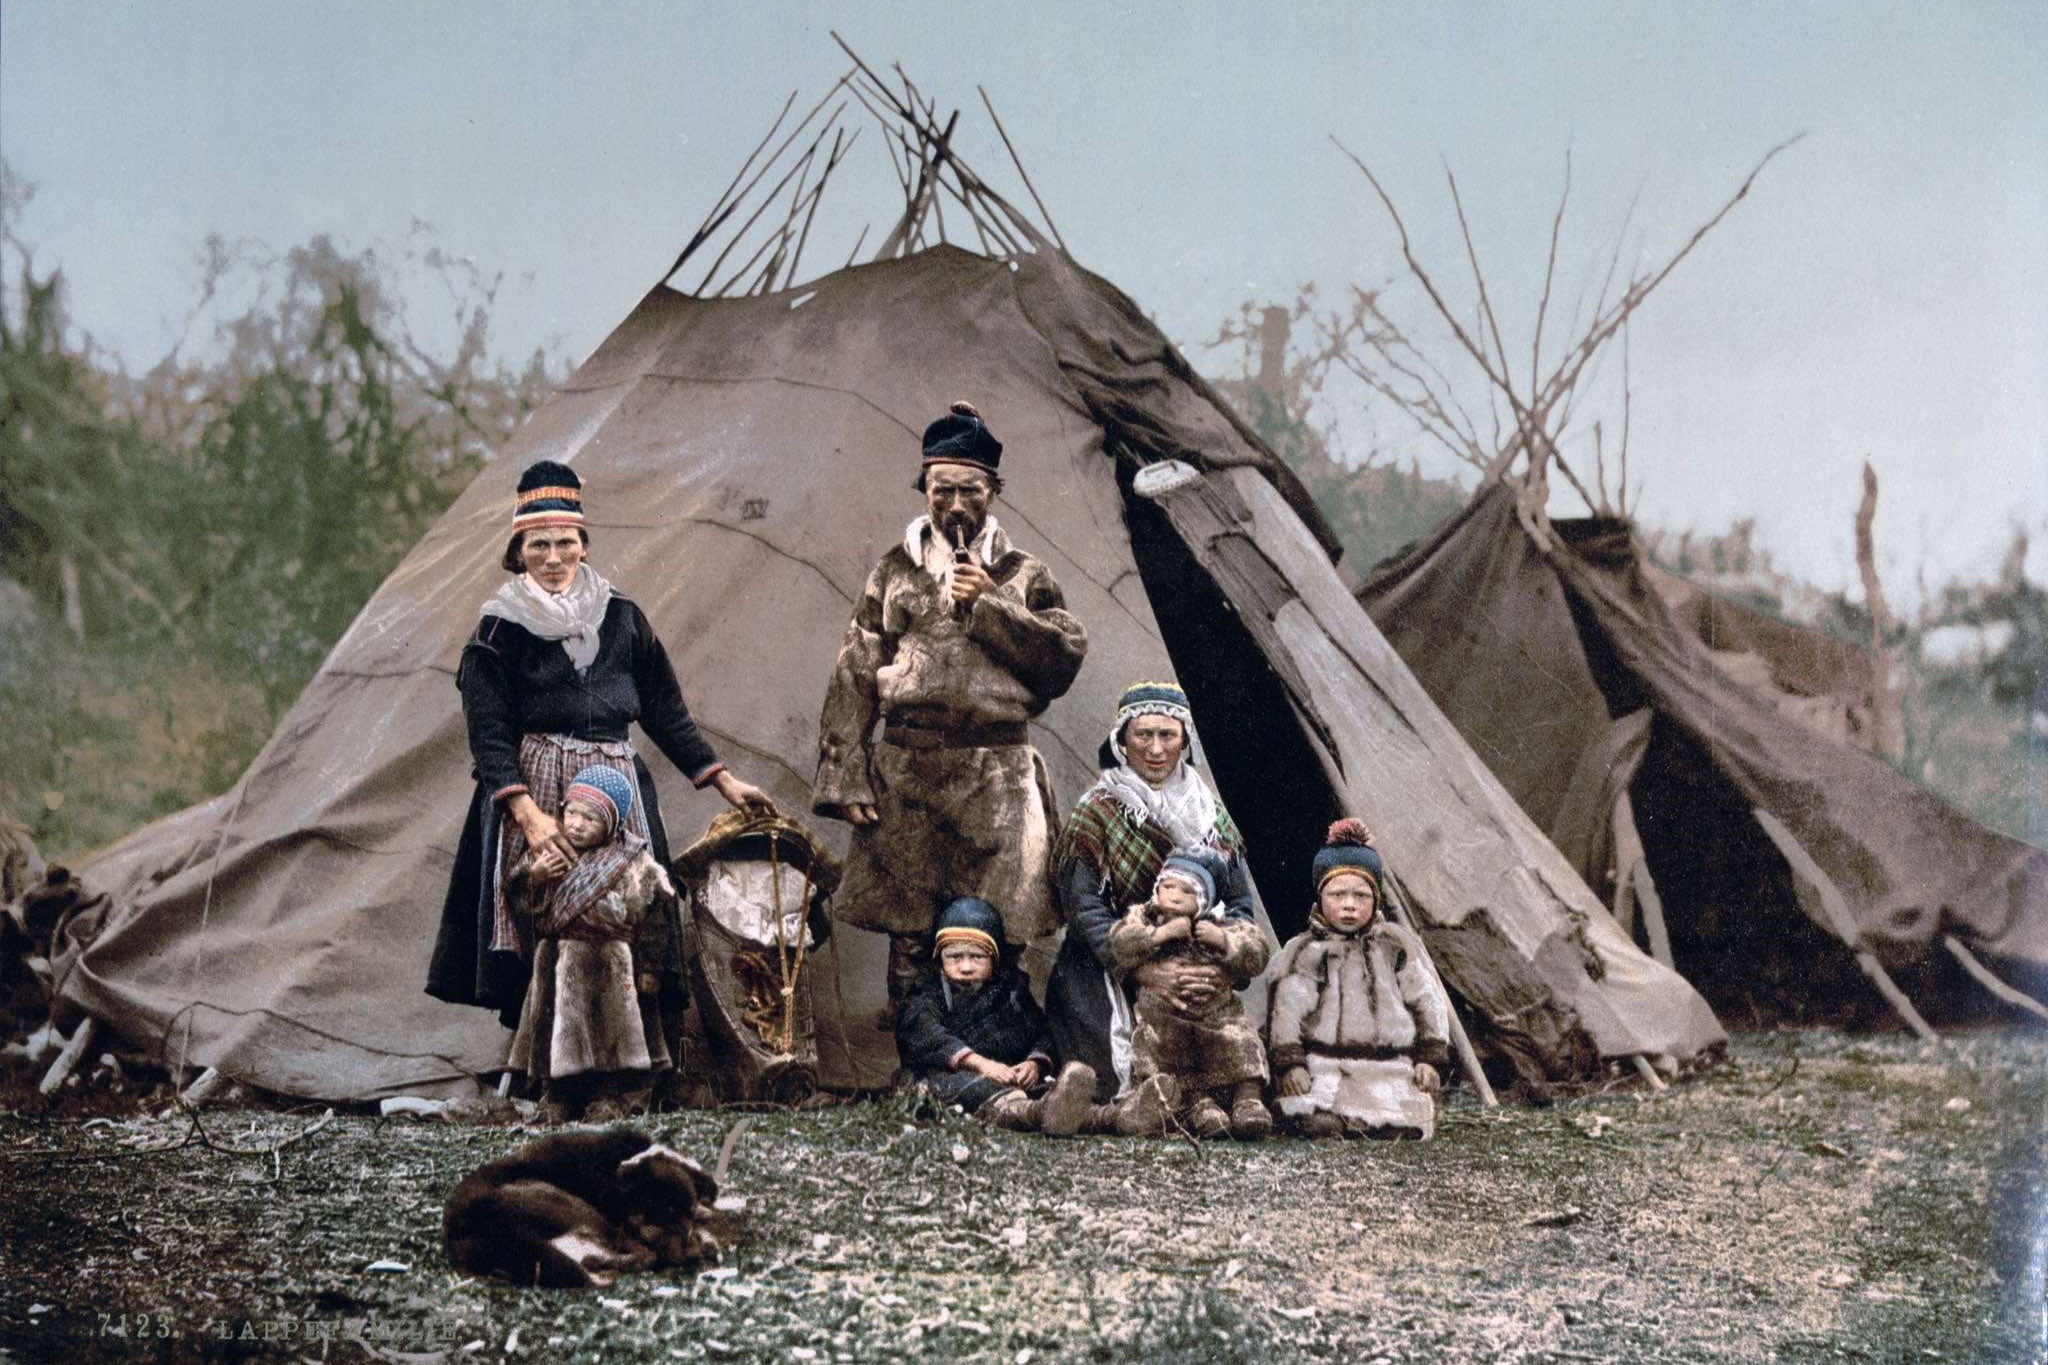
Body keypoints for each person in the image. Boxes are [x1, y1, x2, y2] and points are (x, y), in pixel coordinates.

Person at [428, 459, 774, 1082]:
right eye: (539, 545)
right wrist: (528, 816)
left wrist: (722, 780)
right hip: (535, 788)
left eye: (566, 543)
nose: (554, 557)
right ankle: (542, 1069)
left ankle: (633, 1068)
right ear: (518, 551)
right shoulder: (496, 630)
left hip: (617, 792)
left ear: (584, 544)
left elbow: (665, 711)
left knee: (631, 919)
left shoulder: (623, 618)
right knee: (543, 915)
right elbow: (489, 734)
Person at [813, 401, 1087, 1017]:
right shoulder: (894, 570)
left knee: (999, 926)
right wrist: (847, 772)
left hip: (998, 772)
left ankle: (997, 1049)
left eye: (971, 490)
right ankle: (921, 1063)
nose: (956, 506)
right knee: (912, 927)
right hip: (908, 768)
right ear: (924, 489)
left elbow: (1061, 662)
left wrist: (993, 605)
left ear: (994, 491)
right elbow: (855, 670)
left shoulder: (1024, 573)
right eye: (943, 490)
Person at [1045, 681, 1257, 1107]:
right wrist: (1140, 969)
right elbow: (1084, 908)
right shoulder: (1096, 811)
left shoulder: (1211, 815)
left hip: (1192, 960)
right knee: (1111, 1083)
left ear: (1185, 741)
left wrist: (1219, 967)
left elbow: (1238, 905)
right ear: (1122, 741)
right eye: (1143, 735)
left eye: (1168, 735)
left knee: (1221, 1065)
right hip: (1107, 963)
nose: (1156, 750)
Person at [503, 766, 676, 1120]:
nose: (577, 825)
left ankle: (607, 1097)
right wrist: (532, 879)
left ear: (611, 825)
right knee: (554, 1030)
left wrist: (650, 968)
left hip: (609, 962)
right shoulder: (547, 853)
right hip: (556, 958)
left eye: (591, 818)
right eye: (571, 813)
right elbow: (522, 907)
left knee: (609, 1033)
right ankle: (558, 1097)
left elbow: (656, 917)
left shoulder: (633, 861)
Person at [1266, 819, 1451, 1140]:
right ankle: (1330, 1119)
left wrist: (1430, 1059)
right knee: (1312, 1115)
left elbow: (1427, 1001)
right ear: (1320, 899)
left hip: (1389, 1064)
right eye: (1338, 895)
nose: (1349, 905)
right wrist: (1291, 1064)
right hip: (1324, 1065)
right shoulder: (1305, 950)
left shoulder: (1396, 945)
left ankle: (1383, 1119)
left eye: (1361, 896)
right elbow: (1287, 1010)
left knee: (1402, 1117)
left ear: (1376, 900)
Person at [893, 897, 1100, 1135]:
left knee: (1050, 1087)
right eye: (955, 957)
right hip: (953, 1078)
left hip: (1005, 1077)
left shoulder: (1010, 991)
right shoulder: (925, 994)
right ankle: (1038, 1114)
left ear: (994, 958)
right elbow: (927, 1034)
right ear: (939, 959)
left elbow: (1040, 1030)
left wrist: (1034, 1063)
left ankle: (1116, 1117)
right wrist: (982, 1065)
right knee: (962, 1089)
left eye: (977, 957)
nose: (966, 967)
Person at [1105, 849, 1273, 1139]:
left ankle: (1248, 1099)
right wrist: (1162, 934)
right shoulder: (1144, 919)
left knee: (1241, 1038)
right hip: (1166, 1016)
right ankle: (1198, 1106)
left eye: (1187, 890)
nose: (1175, 896)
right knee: (1167, 1050)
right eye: (1168, 887)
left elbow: (1257, 953)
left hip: (1217, 1013)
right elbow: (1119, 945)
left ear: (1204, 899)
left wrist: (1223, 940)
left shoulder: (1219, 922)